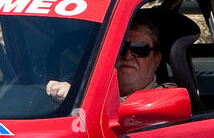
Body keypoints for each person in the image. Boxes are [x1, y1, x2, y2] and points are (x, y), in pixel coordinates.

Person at [45, 14, 174, 102]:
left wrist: (80, 99)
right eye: (119, 48)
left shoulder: (168, 95)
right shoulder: (87, 89)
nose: (128, 56)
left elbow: (136, 112)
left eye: (139, 49)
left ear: (156, 59)